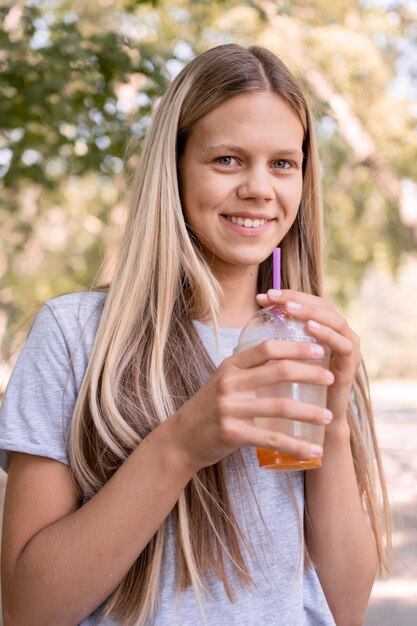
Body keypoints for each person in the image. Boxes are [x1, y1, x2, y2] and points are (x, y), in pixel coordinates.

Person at [0, 44, 390, 626]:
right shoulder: (75, 335)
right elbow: (29, 609)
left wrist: (332, 431)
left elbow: (346, 608)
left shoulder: (310, 344)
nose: (261, 188)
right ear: (175, 166)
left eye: (284, 163)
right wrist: (183, 442)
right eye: (229, 160)